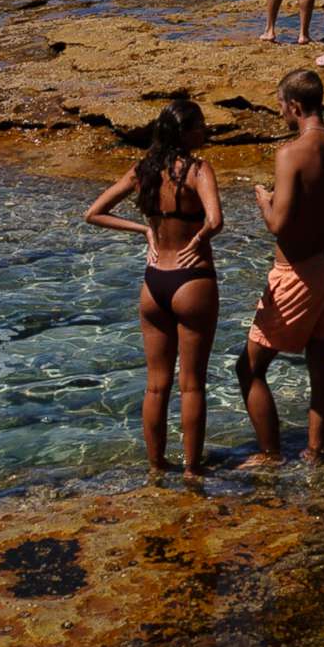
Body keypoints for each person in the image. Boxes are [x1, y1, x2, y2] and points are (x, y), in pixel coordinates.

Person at [232, 69, 324, 464]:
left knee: (250, 368)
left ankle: (270, 454)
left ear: (294, 105)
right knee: (320, 360)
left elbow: (278, 223)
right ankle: (315, 451)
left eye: (280, 106)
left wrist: (264, 200)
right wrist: (321, 207)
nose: (280, 114)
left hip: (298, 274)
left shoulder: (290, 153)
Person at [83, 98, 223, 475]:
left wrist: (145, 229)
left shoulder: (144, 169)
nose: (206, 131)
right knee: (191, 385)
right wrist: (197, 241)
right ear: (186, 132)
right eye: (201, 126)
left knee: (156, 386)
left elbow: (93, 213)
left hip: (154, 283)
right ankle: (193, 471)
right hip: (192, 280)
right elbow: (215, 220)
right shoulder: (197, 170)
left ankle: (157, 467)